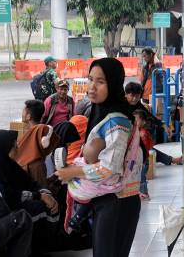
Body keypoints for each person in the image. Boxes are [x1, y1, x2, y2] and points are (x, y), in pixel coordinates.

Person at [55, 58, 143, 257]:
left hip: (118, 202)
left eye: (100, 81)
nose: (92, 86)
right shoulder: (103, 112)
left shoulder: (117, 119)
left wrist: (72, 172)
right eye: (90, 79)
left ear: (112, 84)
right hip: (109, 199)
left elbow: (109, 168)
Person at [0, 130, 60, 257]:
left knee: (44, 205)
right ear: (2, 148)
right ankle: (31, 250)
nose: (17, 148)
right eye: (13, 146)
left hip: (15, 205)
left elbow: (30, 182)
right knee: (37, 208)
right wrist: (40, 196)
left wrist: (45, 193)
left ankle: (39, 248)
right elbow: (9, 195)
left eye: (16, 144)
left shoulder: (11, 165)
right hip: (4, 211)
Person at [124, 81, 183, 165]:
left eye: (137, 96)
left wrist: (164, 126)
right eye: (132, 96)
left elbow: (149, 116)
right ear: (125, 94)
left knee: (146, 143)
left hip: (132, 133)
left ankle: (171, 160)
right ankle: (172, 160)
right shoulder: (120, 105)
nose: (134, 99)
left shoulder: (136, 104)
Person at [15, 123, 60, 189]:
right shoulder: (38, 165)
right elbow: (44, 193)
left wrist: (48, 179)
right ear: (45, 143)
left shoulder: (22, 157)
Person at [134, 109, 154, 200]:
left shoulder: (142, 135)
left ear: (143, 122)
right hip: (143, 160)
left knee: (142, 177)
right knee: (140, 176)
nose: (134, 123)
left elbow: (145, 149)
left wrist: (142, 160)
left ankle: (144, 193)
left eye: (136, 121)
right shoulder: (143, 133)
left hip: (143, 161)